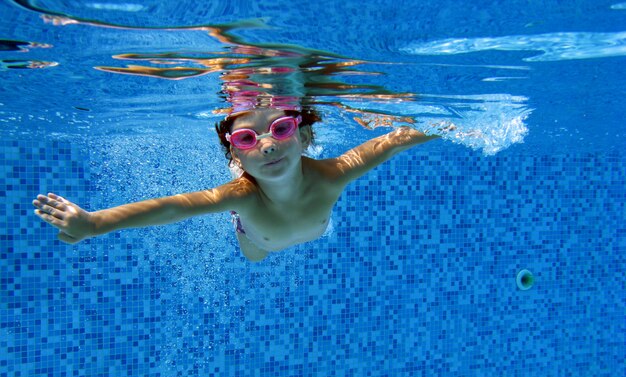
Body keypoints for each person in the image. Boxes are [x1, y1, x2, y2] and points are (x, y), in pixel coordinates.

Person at [33, 106, 444, 262]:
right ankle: (237, 201)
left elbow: (391, 142)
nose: (267, 145)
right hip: (257, 236)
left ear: (303, 137)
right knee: (254, 257)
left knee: (301, 225)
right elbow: (175, 207)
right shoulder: (243, 197)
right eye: (247, 138)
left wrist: (448, 126)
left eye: (280, 129)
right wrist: (95, 223)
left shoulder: (334, 172)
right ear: (235, 152)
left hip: (313, 227)